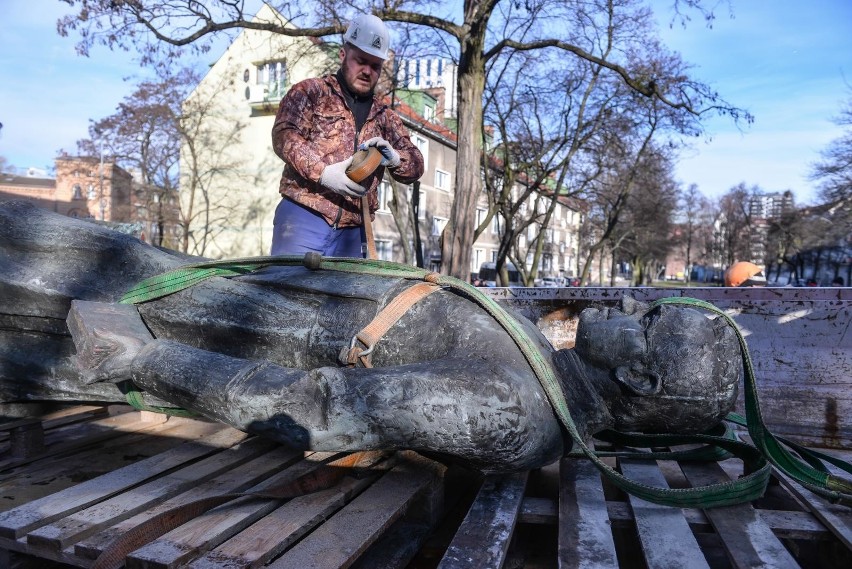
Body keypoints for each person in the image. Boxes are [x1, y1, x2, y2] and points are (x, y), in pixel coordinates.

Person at [1, 201, 743, 474]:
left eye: (648, 324)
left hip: (231, 323)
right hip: (268, 292)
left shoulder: (515, 410)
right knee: (62, 248)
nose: (631, 307)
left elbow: (322, 409)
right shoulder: (547, 368)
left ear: (643, 382)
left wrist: (148, 359)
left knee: (40, 272)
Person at [270, 14, 424, 257]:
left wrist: (396, 158)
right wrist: (322, 173)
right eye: (361, 61)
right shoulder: (311, 92)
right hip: (304, 216)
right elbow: (284, 136)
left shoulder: (386, 117)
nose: (367, 71)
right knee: (287, 291)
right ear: (343, 55)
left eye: (375, 66)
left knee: (348, 296)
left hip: (354, 231)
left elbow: (416, 166)